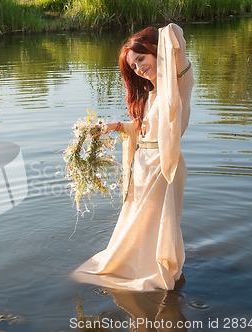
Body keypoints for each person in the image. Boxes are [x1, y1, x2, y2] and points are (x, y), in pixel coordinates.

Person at [72, 23, 194, 291]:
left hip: (165, 167)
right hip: (142, 166)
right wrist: (115, 126)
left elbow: (175, 33)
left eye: (141, 58)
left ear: (155, 50)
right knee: (137, 225)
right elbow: (145, 131)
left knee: (158, 224)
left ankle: (158, 271)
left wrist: (163, 37)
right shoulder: (151, 94)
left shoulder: (178, 83)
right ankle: (133, 266)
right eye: (133, 65)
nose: (139, 67)